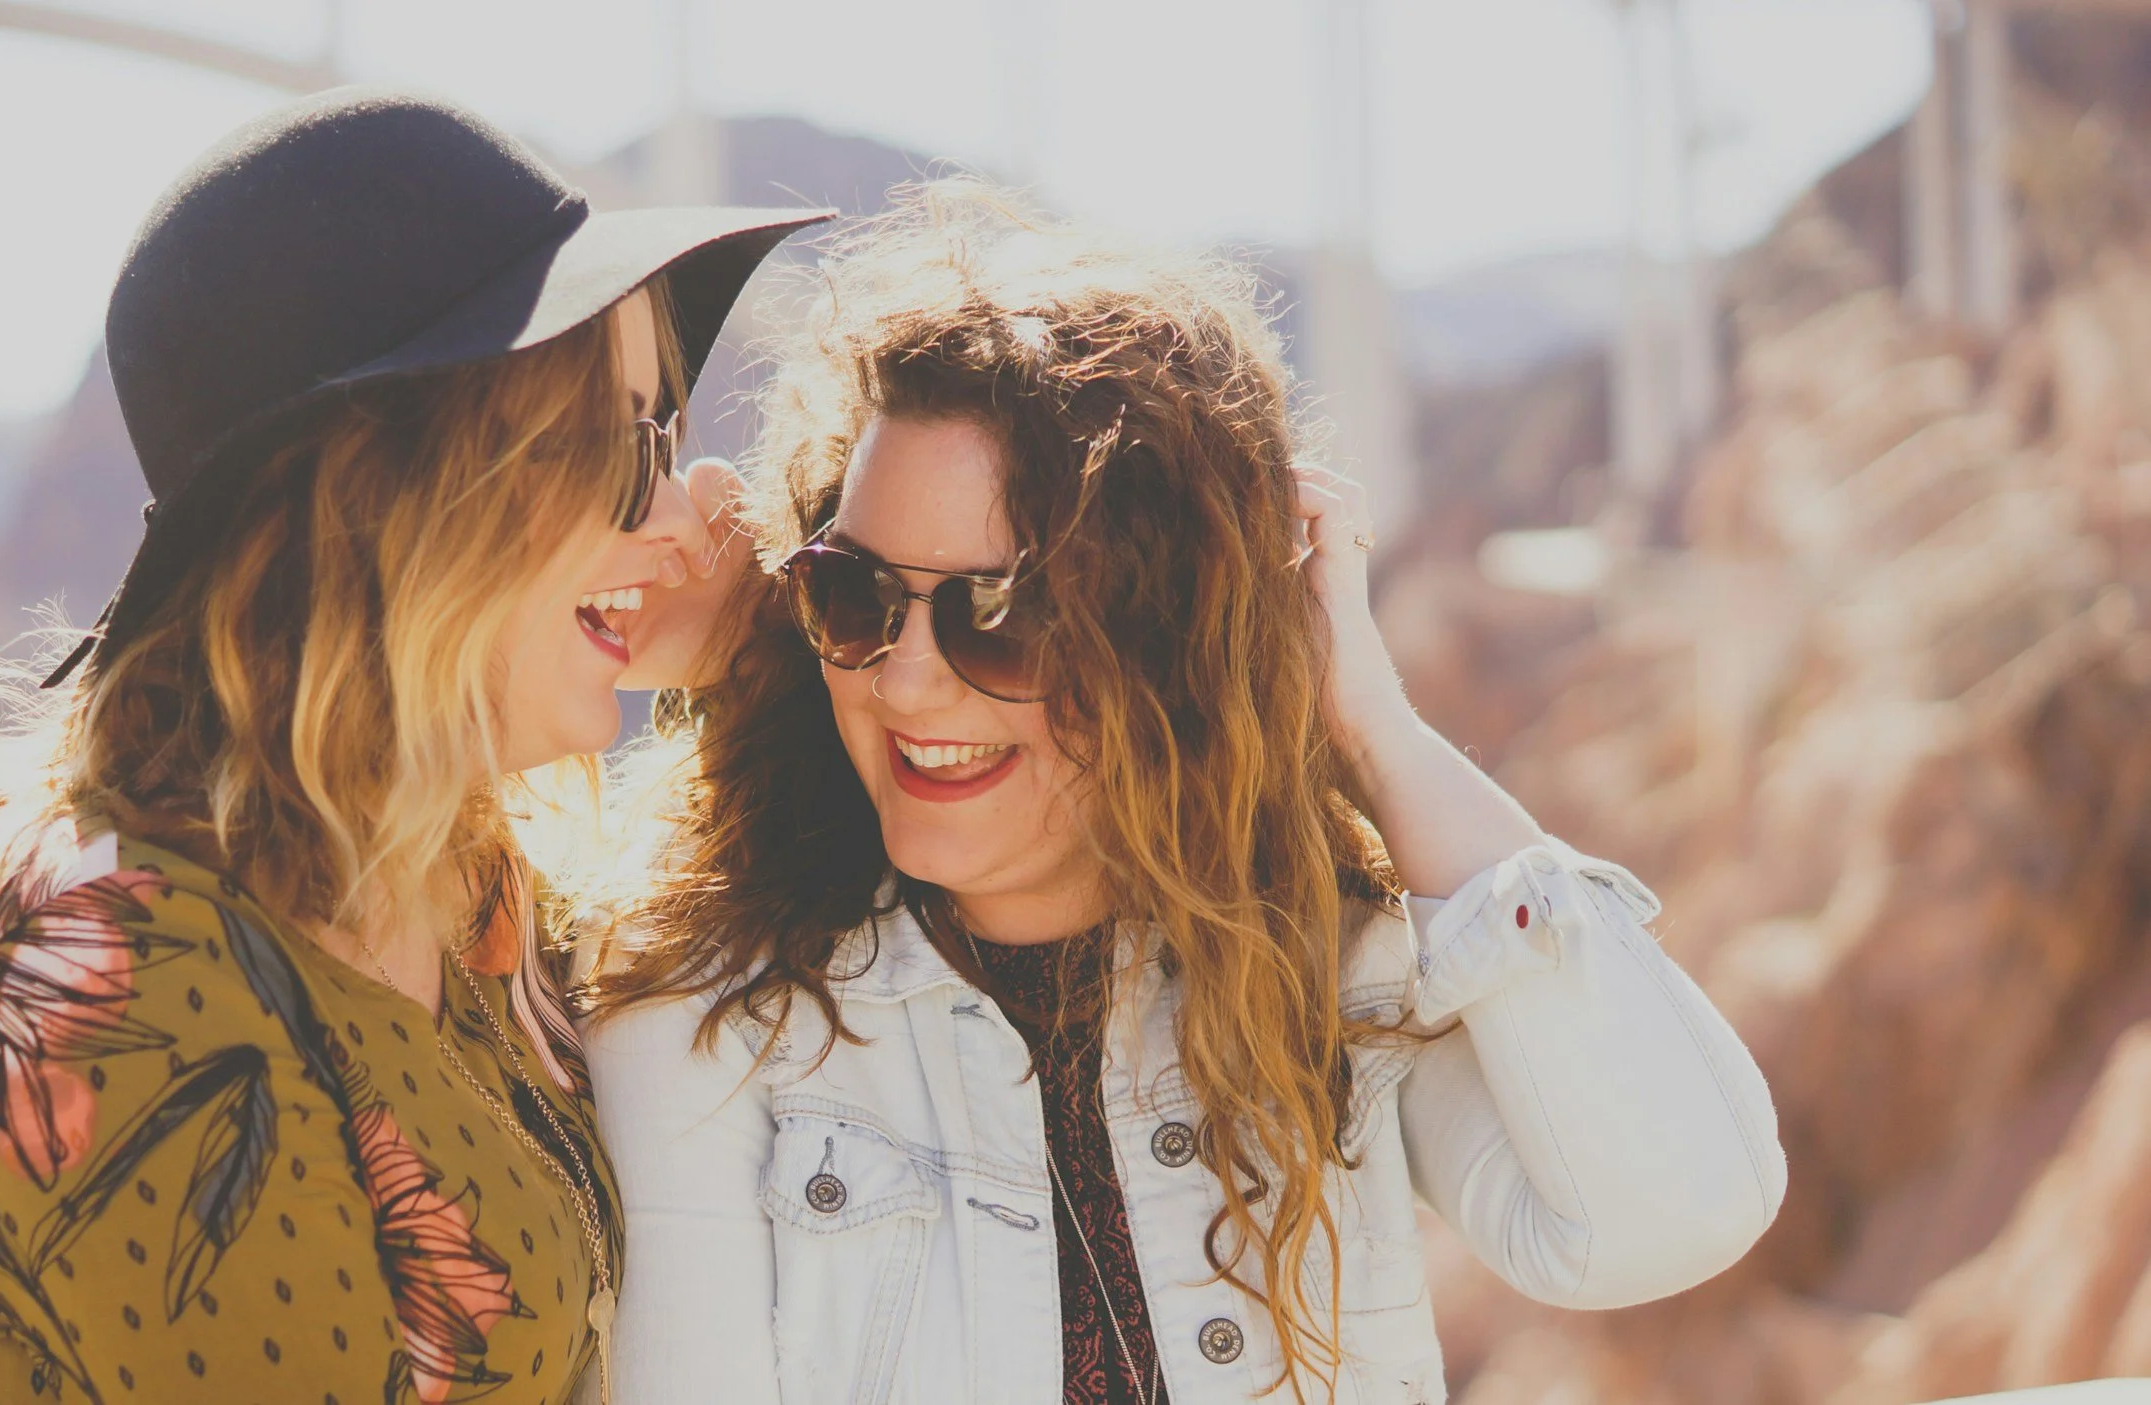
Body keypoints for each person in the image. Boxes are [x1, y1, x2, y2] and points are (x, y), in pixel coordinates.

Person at [583, 186, 1787, 1405]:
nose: (905, 678)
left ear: (1163, 638)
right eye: (856, 593)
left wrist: (1366, 715)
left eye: (999, 612)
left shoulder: (1316, 961)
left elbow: (1670, 1211)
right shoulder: (712, 1015)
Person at [0, 87, 824, 1405]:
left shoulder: (461, 874)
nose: (679, 519)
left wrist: (757, 666)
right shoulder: (108, 954)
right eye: (621, 448)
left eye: (668, 440)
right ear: (386, 499)